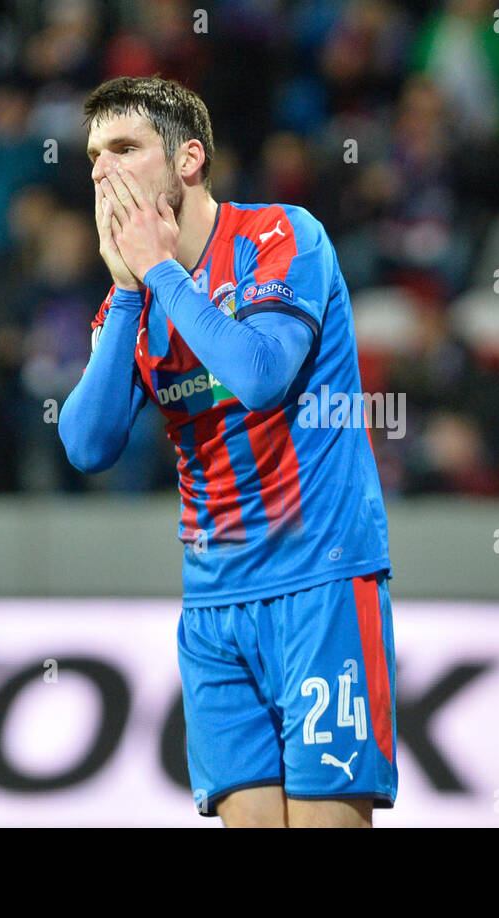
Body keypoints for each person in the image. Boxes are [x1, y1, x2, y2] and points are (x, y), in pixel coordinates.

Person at [59, 77, 395, 828]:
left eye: (123, 149)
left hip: (321, 580)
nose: (100, 173)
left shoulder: (283, 238)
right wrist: (127, 294)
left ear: (188, 160)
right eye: (91, 157)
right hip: (213, 604)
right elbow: (86, 445)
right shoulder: (139, 298)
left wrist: (163, 275)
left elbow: (260, 376)